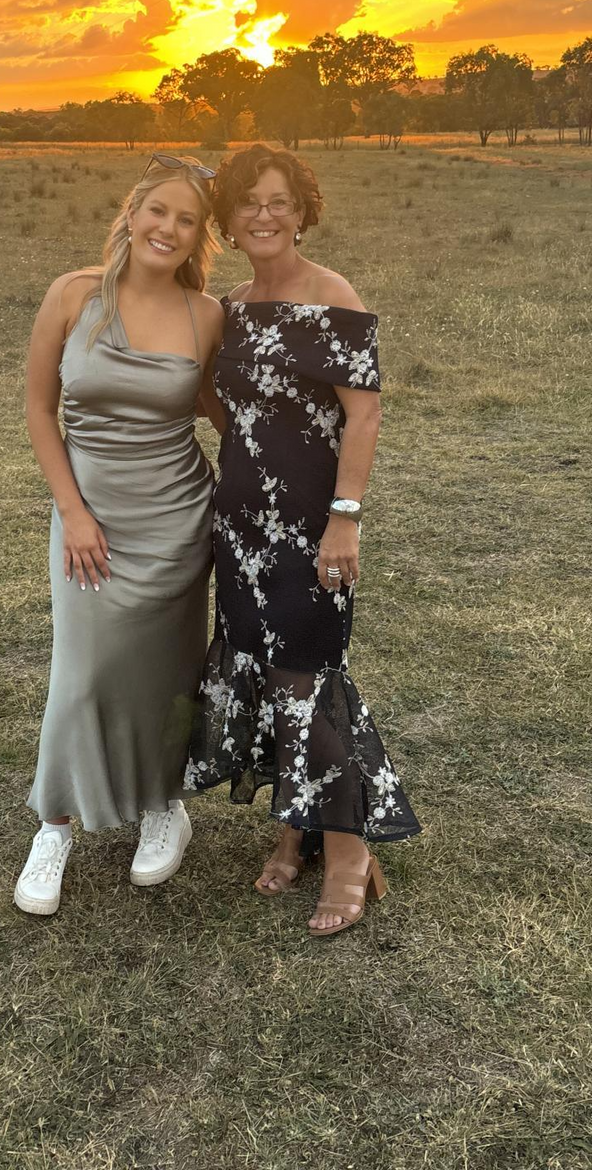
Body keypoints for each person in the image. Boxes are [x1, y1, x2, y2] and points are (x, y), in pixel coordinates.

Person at [185, 144, 419, 936]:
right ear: (228, 216)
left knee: (309, 678)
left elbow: (365, 413)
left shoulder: (331, 296)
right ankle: (295, 826)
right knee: (262, 670)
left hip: (312, 528)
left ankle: (348, 851)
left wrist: (344, 517)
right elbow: (218, 401)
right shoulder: (232, 305)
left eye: (279, 200)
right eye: (249, 201)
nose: (263, 214)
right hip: (241, 525)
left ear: (302, 210)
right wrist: (249, 444)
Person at [15, 155, 224, 916]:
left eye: (188, 219)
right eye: (159, 211)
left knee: (168, 670)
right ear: (132, 212)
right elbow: (41, 410)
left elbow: (223, 411)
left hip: (176, 519)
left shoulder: (208, 316)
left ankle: (166, 805)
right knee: (83, 673)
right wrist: (72, 511)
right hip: (89, 522)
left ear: (201, 235)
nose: (169, 229)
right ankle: (55, 826)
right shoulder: (73, 296)